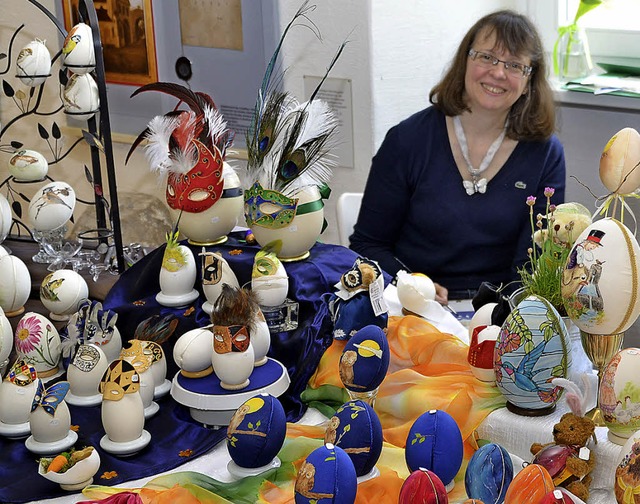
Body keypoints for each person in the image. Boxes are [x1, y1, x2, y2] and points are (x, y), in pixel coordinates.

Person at [350, 9, 566, 304]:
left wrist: (500, 317)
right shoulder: (407, 141)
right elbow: (367, 244)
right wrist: (410, 284)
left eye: (515, 65)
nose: (499, 73)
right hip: (414, 307)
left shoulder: (546, 153)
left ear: (529, 82)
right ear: (465, 60)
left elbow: (535, 263)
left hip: (501, 312)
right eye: (487, 57)